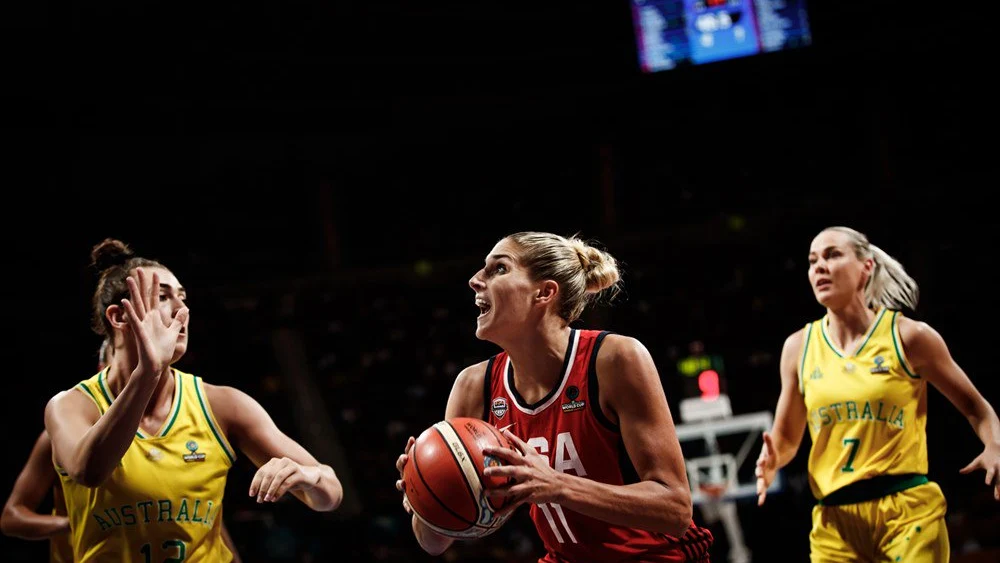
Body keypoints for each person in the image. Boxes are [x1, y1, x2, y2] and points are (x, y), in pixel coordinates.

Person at [395, 231, 713, 562]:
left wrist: (558, 486)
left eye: (499, 268)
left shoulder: (614, 359)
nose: (475, 280)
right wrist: (424, 492)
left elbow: (675, 509)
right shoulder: (474, 385)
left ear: (544, 292)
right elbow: (433, 543)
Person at [42, 239, 343, 562]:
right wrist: (149, 372)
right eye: (162, 297)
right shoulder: (71, 406)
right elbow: (89, 471)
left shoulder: (222, 404)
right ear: (118, 317)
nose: (181, 310)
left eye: (182, 298)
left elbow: (330, 494)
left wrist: (310, 477)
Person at [755, 226, 1000, 562]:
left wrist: (994, 445)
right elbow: (785, 439)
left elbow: (978, 408)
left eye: (832, 255)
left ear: (866, 267)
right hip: (834, 522)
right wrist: (771, 461)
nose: (819, 267)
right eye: (813, 261)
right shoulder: (798, 347)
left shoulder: (910, 337)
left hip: (906, 511)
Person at [1, 340, 245, 563]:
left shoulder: (180, 420)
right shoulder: (64, 433)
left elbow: (198, 513)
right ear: (102, 370)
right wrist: (67, 524)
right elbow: (12, 517)